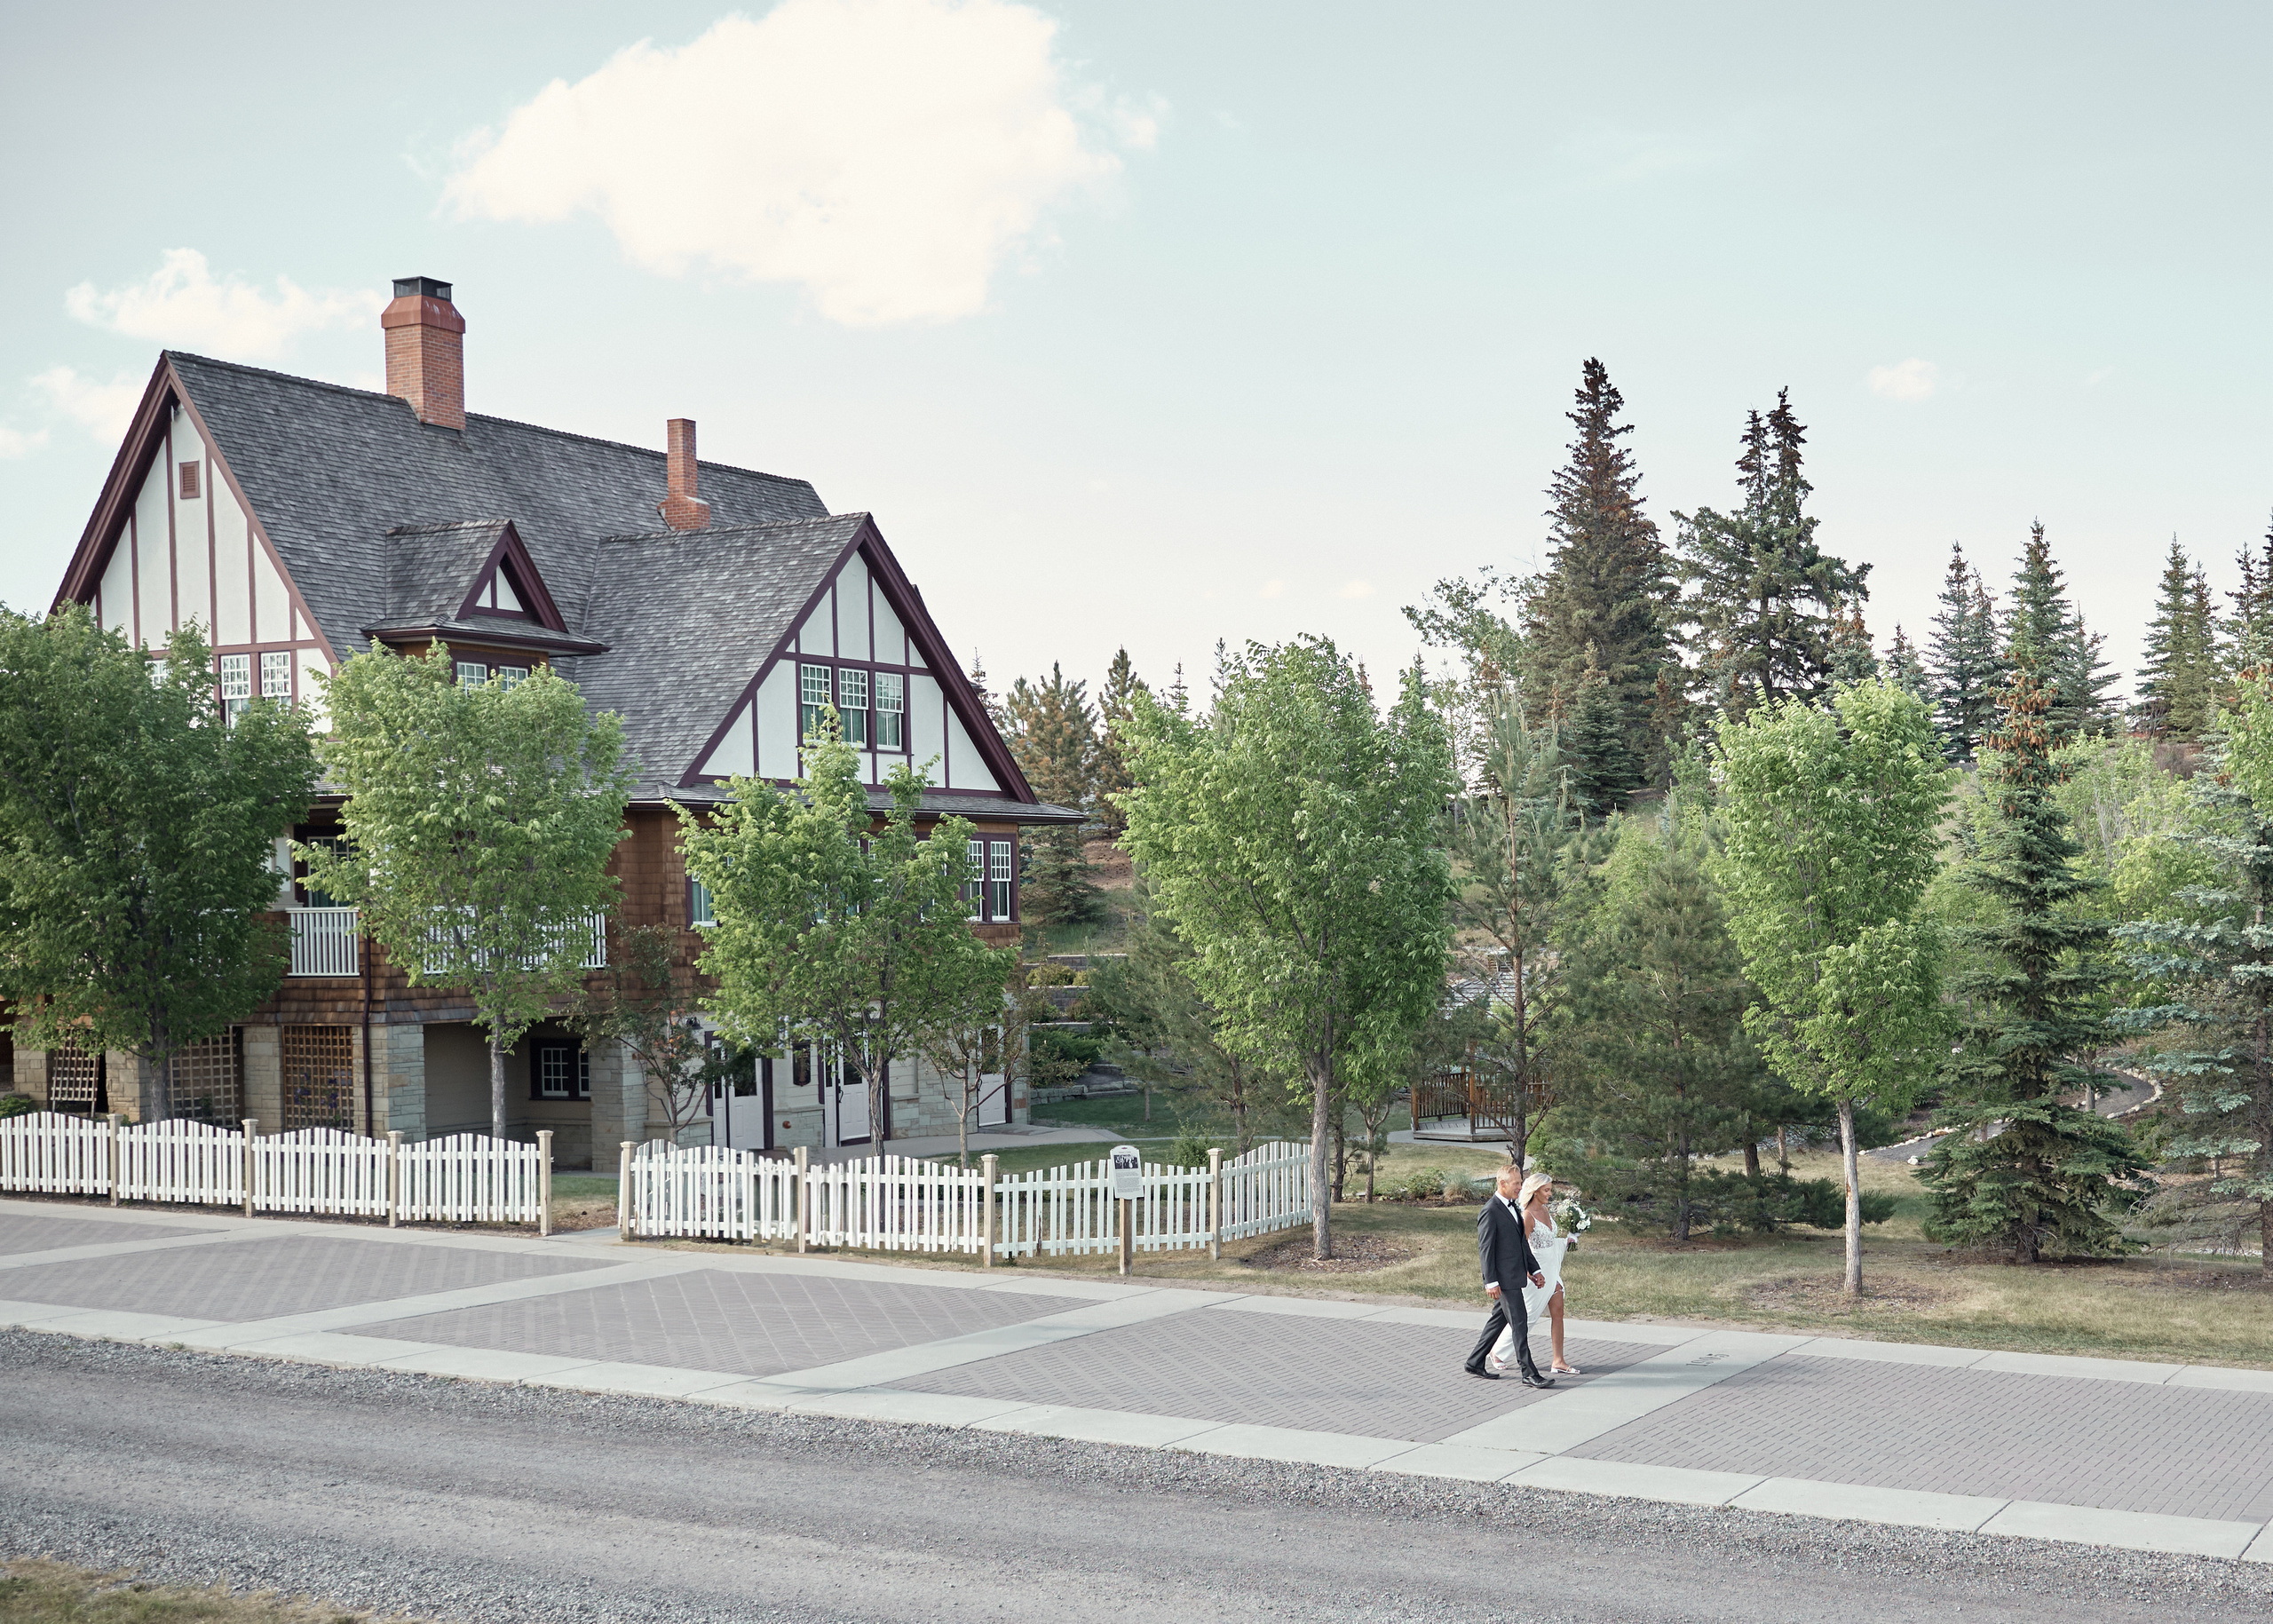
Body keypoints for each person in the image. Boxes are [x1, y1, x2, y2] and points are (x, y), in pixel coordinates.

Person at [1462, 1164, 1552, 1387]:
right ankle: (1529, 1373)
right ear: (1502, 1184)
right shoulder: (1490, 1211)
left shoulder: (1513, 1208)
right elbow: (1486, 1250)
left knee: (1498, 1321)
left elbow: (1522, 1244)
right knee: (1520, 1323)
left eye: (1521, 1183)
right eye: (1516, 1184)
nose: (1520, 1187)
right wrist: (1490, 1282)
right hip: (1503, 1280)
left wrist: (1535, 1270)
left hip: (1515, 1276)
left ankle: (1474, 1362)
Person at [1492, 1171, 1580, 1376]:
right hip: (1536, 1273)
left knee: (1558, 1314)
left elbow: (1549, 1241)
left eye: (1550, 1190)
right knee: (1529, 1316)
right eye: (1547, 1190)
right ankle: (1497, 1351)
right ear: (1535, 1191)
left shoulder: (1546, 1211)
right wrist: (1528, 1272)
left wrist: (1567, 1240)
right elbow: (1521, 1247)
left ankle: (1558, 1360)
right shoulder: (1527, 1216)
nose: (1550, 1194)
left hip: (1553, 1270)